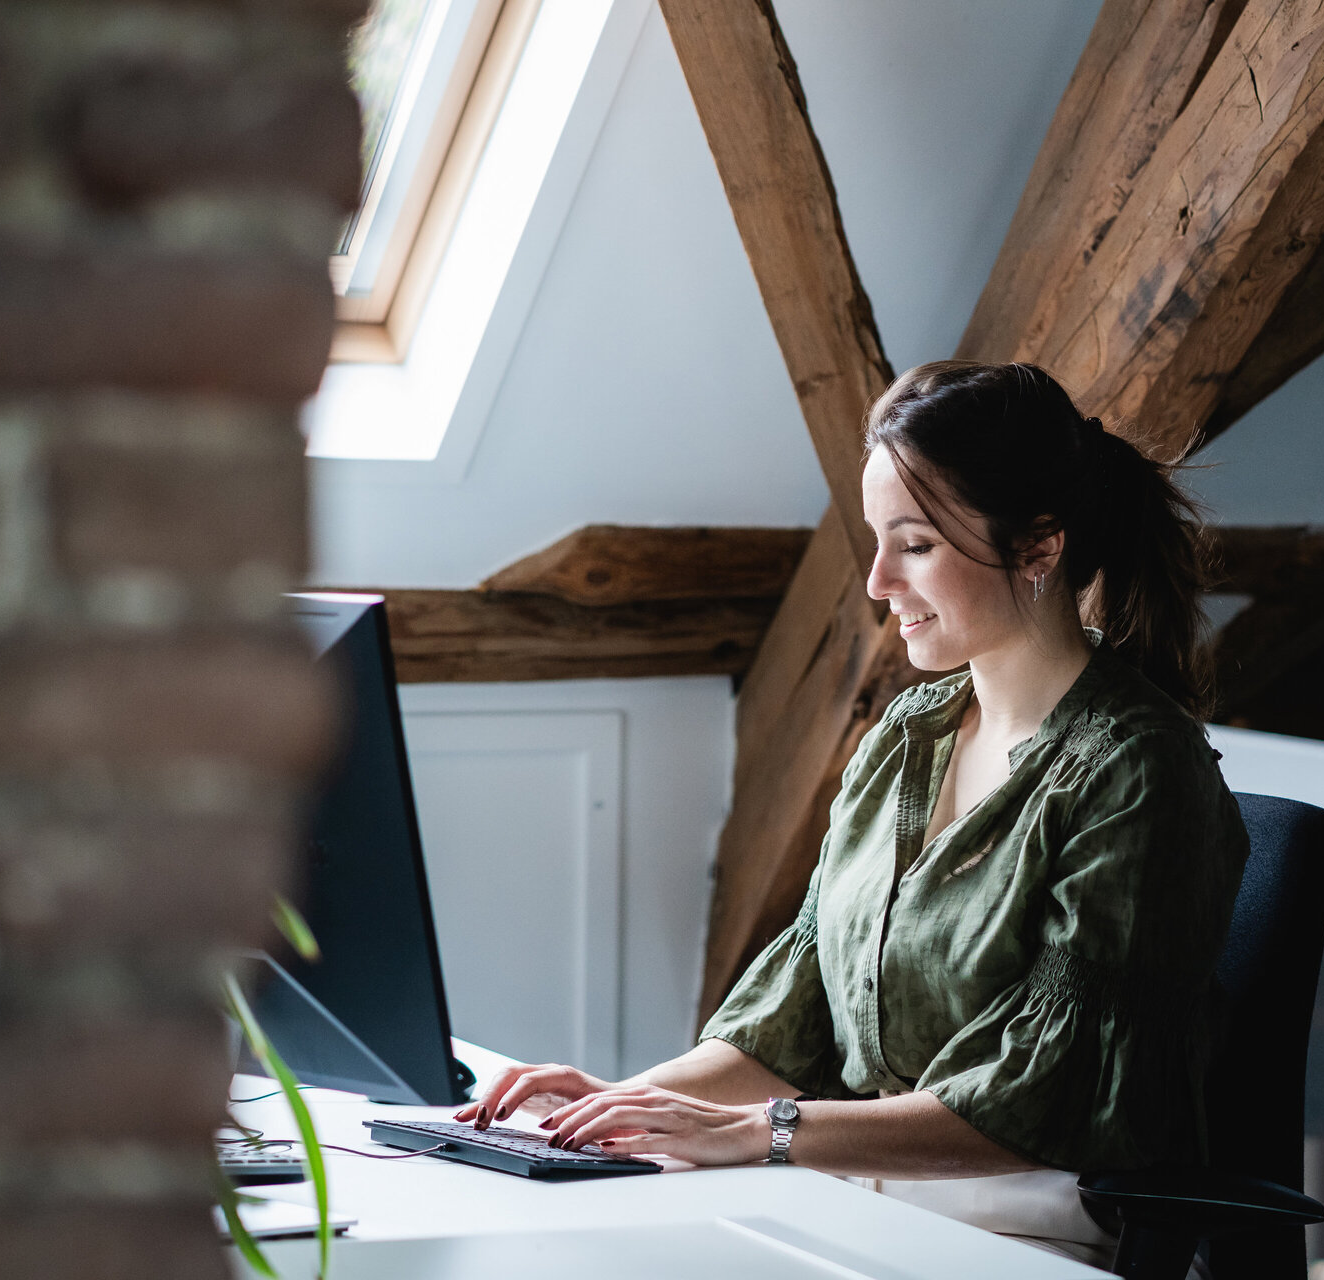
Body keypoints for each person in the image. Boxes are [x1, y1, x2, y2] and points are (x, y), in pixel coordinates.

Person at [454, 361, 1249, 1268]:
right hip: (850, 1191)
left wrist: (760, 1132)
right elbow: (794, 1018)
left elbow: (1043, 1101)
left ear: (1038, 547)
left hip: (1021, 1226)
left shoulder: (1137, 771)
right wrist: (621, 1106)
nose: (876, 581)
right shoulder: (907, 737)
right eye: (878, 541)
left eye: (913, 544)